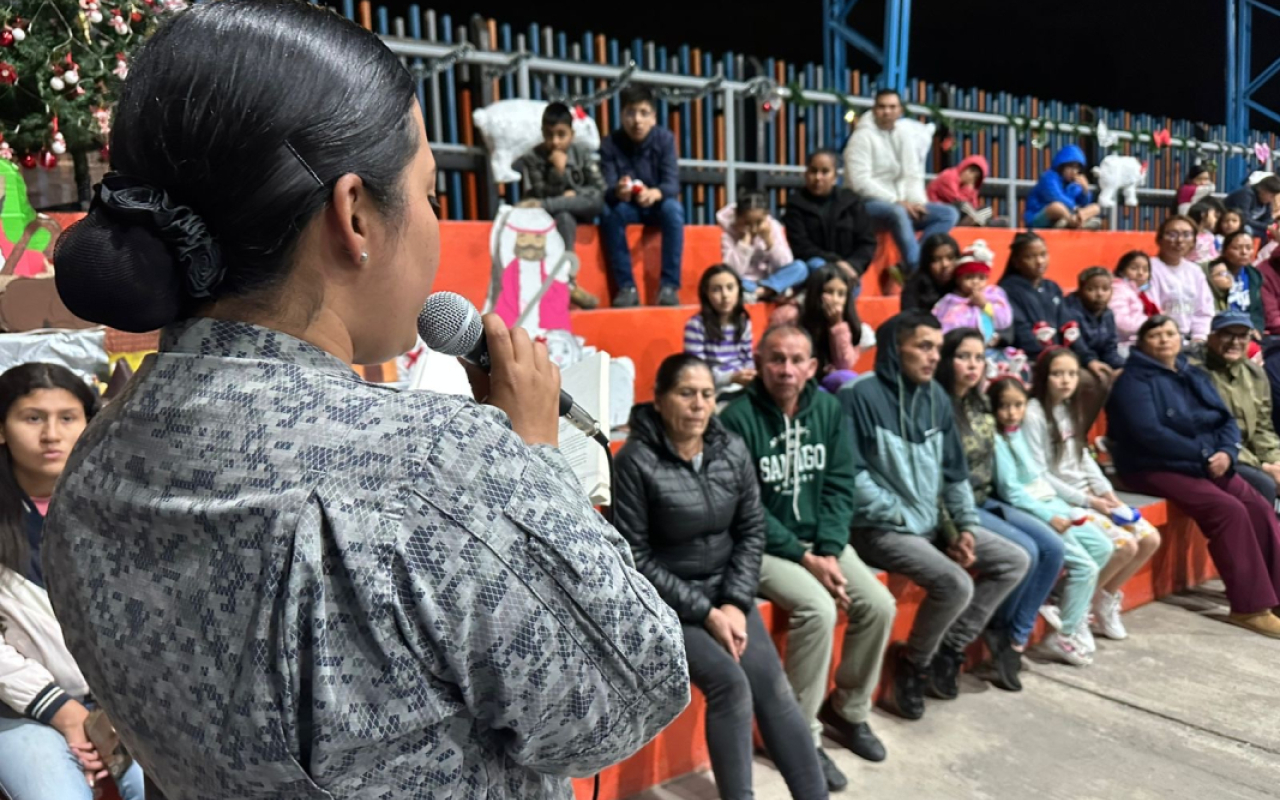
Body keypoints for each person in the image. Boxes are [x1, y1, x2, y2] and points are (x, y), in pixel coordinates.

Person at [43, 3, 691, 797]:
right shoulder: (438, 470)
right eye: (426, 193)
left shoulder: (95, 462)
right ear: (353, 215)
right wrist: (532, 461)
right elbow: (630, 693)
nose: (434, 220)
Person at [613, 355, 827, 800]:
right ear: (659, 398)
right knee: (731, 685)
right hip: (669, 603)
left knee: (774, 689)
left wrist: (733, 602)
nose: (698, 405)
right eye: (686, 393)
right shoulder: (635, 460)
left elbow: (751, 532)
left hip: (727, 594)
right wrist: (708, 611)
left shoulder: (730, 448)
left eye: (707, 395)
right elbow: (634, 557)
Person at [720, 326, 896, 790]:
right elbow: (746, 506)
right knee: (817, 609)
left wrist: (831, 550)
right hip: (759, 545)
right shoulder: (737, 418)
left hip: (822, 543)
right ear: (759, 363)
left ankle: (849, 711)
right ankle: (800, 737)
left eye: (797, 359)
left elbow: (840, 485)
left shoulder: (829, 410)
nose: (787, 369)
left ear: (814, 366)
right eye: (776, 359)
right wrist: (804, 555)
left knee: (879, 605)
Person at [840, 312, 1029, 720]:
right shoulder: (858, 396)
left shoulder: (936, 398)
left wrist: (965, 527)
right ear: (895, 348)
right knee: (955, 583)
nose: (932, 358)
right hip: (878, 528)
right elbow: (852, 480)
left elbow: (954, 474)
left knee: (1015, 560)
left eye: (937, 349)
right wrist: (905, 517)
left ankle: (951, 645)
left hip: (926, 524)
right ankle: (914, 663)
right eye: (923, 347)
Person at [0, 363, 146, 800]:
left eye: (67, 418)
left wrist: (121, 706)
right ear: (2, 429)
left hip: (128, 700)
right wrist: (58, 709)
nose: (51, 435)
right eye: (32, 418)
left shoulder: (125, 506)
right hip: (19, 706)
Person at [1108, 315, 1280, 638]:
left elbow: (1224, 419)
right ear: (1143, 342)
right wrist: (1204, 455)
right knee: (1228, 510)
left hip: (1203, 461)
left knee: (1257, 504)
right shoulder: (1133, 380)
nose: (1164, 340)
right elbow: (1149, 434)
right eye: (1156, 335)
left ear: (1179, 338)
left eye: (1170, 333)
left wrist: (1227, 452)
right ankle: (1250, 607)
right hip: (1153, 466)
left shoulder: (1190, 373)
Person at [937, 330, 1064, 691]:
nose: (973, 365)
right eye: (964, 356)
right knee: (1024, 553)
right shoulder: (937, 405)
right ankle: (974, 639)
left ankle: (1012, 638)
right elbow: (939, 479)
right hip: (957, 507)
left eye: (979, 357)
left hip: (987, 498)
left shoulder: (979, 404)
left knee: (1053, 548)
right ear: (948, 360)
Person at [1023, 348, 1161, 646]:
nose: (1065, 381)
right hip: (1065, 500)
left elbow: (1083, 457)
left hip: (1089, 494)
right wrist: (1090, 502)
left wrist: (1108, 493)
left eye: (1071, 374)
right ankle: (1076, 606)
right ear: (1044, 376)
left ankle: (1105, 598)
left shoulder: (1071, 408)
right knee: (1124, 546)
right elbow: (1042, 475)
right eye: (1058, 374)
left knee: (1150, 539)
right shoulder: (1033, 414)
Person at [988, 375, 1107, 666]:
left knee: (1103, 547)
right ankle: (1063, 634)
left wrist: (1073, 505)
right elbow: (1012, 491)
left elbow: (1040, 476)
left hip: (1050, 502)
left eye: (1018, 405)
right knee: (1085, 566)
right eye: (1004, 406)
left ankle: (1064, 603)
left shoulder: (1018, 433)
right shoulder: (995, 440)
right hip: (1033, 510)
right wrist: (1049, 515)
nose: (1012, 413)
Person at [999, 231, 1109, 424]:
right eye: (1030, 256)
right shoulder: (1007, 290)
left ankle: (1076, 437)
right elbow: (1022, 333)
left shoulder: (1052, 288)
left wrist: (1089, 359)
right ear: (1016, 261)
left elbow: (1069, 328)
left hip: (1060, 358)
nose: (1039, 261)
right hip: (1031, 359)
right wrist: (1054, 359)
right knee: (1085, 381)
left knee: (1100, 377)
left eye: (1043, 254)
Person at [844, 89, 959, 272]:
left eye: (892, 107)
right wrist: (896, 201)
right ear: (874, 109)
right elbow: (860, 182)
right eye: (882, 107)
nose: (887, 111)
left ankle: (916, 261)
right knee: (896, 212)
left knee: (948, 214)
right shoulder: (861, 137)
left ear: (900, 111)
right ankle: (916, 270)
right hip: (866, 206)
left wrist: (917, 203)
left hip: (900, 205)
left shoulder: (904, 135)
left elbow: (912, 174)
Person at [514, 100, 605, 309]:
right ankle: (569, 281)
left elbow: (599, 191)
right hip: (554, 216)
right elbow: (538, 190)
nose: (555, 142)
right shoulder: (533, 157)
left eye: (561, 135)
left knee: (592, 201)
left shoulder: (581, 153)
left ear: (571, 134)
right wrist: (558, 173)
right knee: (563, 214)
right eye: (549, 135)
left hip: (581, 208)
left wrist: (572, 191)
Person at [599, 84, 684, 307]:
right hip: (627, 207)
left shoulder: (665, 139)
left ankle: (669, 287)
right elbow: (605, 189)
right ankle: (626, 288)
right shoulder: (609, 144)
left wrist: (656, 193)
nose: (637, 120)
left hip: (656, 205)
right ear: (622, 115)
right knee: (609, 213)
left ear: (653, 117)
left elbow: (672, 183)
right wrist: (617, 191)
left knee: (674, 209)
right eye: (630, 112)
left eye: (644, 113)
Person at [1197, 311, 1280, 508]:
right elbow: (1209, 432)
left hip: (1249, 455)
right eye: (1227, 334)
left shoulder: (1255, 374)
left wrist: (1276, 459)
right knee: (1264, 484)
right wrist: (1263, 467)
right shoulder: (1197, 373)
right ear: (1211, 337)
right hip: (1218, 455)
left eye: (1242, 335)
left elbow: (1263, 428)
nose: (1235, 342)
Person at [782, 149, 877, 283]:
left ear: (835, 178)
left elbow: (866, 242)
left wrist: (854, 265)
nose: (818, 177)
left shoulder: (852, 202)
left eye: (825, 172)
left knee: (845, 285)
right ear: (806, 174)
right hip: (813, 270)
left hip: (849, 272)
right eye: (813, 171)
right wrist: (836, 263)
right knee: (818, 266)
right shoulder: (795, 204)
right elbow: (801, 246)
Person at [772, 266, 868, 393]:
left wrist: (836, 325)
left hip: (828, 375)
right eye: (828, 292)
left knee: (848, 380)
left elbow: (844, 365)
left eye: (841, 294)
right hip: (798, 375)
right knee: (819, 394)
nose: (835, 299)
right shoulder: (790, 315)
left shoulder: (848, 322)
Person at [717, 188, 812, 301]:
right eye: (747, 223)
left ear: (767, 217)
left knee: (801, 268)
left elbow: (785, 263)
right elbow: (731, 271)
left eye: (759, 222)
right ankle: (771, 292)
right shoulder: (728, 234)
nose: (754, 229)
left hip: (771, 279)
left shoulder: (773, 227)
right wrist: (745, 242)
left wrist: (769, 241)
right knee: (729, 280)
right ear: (737, 217)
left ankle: (761, 292)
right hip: (745, 281)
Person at [683, 265, 755, 397]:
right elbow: (697, 372)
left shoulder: (744, 322)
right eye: (716, 290)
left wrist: (750, 374)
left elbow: (748, 359)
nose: (725, 295)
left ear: (739, 290)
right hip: (713, 389)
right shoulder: (696, 325)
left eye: (730, 288)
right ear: (706, 294)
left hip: (741, 383)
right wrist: (731, 378)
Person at [1149, 214, 1214, 344]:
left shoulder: (1195, 271)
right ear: (1159, 239)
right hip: (1159, 339)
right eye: (1172, 234)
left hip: (1190, 340)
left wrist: (1199, 337)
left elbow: (1204, 311)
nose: (1179, 240)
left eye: (1186, 235)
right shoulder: (1149, 268)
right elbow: (1150, 311)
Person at [1023, 145, 1102, 230]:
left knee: (1096, 207)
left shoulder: (1073, 184)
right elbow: (1056, 197)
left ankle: (1075, 221)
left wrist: (1085, 190)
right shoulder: (1048, 177)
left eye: (1077, 168)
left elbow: (1083, 203)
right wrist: (1075, 208)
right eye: (1071, 167)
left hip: (1066, 216)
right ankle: (1075, 223)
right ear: (1062, 166)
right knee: (1057, 207)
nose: (1074, 171)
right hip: (1039, 218)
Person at [1064, 267, 1125, 371]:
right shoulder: (1069, 312)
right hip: (1075, 362)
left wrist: (1122, 366)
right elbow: (1076, 346)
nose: (1100, 294)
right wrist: (1091, 361)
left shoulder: (1108, 314)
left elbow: (1110, 349)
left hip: (1097, 361)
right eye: (1091, 289)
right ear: (1080, 291)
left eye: (1105, 289)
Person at [1204, 230, 1264, 333]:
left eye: (1249, 248)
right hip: (1219, 327)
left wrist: (1256, 328)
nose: (1244, 252)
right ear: (1224, 251)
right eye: (1237, 248)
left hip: (1246, 328)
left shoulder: (1254, 275)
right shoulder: (1212, 272)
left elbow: (1257, 310)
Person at [1110, 250, 1160, 356]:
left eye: (1145, 270)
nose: (1141, 273)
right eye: (1134, 268)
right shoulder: (1118, 290)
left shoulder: (1137, 292)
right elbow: (1120, 323)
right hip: (1122, 347)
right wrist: (1151, 324)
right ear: (1122, 271)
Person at [927, 155, 996, 227]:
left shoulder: (969, 186)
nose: (971, 176)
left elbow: (974, 206)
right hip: (941, 212)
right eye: (971, 171)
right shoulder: (949, 176)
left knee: (988, 210)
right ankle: (982, 222)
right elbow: (956, 200)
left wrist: (970, 189)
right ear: (964, 166)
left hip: (960, 214)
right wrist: (968, 189)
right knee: (962, 205)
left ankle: (976, 221)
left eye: (976, 177)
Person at [900, 233, 959, 313]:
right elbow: (909, 319)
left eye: (950, 258)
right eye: (937, 260)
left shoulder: (965, 283)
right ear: (927, 262)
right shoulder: (914, 287)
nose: (945, 265)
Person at [1225, 173, 1280, 238]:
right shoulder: (1246, 195)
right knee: (1247, 230)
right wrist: (1267, 226)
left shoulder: (1266, 201)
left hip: (1251, 226)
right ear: (1262, 190)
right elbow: (1245, 219)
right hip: (1232, 226)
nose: (1272, 199)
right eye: (1272, 196)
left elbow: (1267, 220)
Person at [1187, 197, 1225, 263]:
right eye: (1214, 216)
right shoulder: (1188, 236)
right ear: (1203, 214)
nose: (1216, 220)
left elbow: (1214, 255)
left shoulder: (1209, 236)